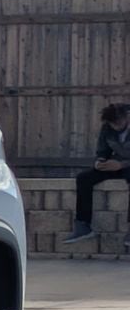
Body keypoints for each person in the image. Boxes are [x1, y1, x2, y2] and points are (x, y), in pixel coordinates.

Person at [63, 101, 130, 249]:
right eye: (113, 124)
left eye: (119, 123)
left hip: (124, 164)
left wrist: (122, 164)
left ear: (126, 117)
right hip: (116, 163)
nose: (116, 127)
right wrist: (100, 162)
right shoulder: (107, 128)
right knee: (84, 178)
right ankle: (83, 225)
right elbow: (103, 150)